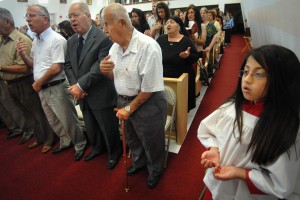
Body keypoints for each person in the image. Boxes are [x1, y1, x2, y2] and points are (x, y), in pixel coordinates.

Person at [197, 45, 300, 200]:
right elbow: (209, 130)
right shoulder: (232, 107)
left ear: (282, 80)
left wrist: (240, 173)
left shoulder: (284, 127)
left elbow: (282, 183)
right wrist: (215, 149)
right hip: (220, 184)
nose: (247, 79)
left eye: (258, 74)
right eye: (245, 71)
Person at [100, 3, 167, 188]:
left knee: (151, 141)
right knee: (132, 138)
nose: (104, 30)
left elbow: (149, 89)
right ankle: (138, 163)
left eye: (106, 24)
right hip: (124, 101)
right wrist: (104, 70)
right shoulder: (114, 48)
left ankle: (155, 170)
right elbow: (114, 76)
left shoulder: (148, 47)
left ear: (121, 23)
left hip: (148, 102)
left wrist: (129, 108)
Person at [17, 4, 87, 161]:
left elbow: (56, 68)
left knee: (68, 120)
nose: (28, 19)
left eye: (31, 15)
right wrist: (22, 54)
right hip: (43, 87)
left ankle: (80, 144)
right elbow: (34, 64)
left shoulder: (57, 40)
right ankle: (65, 141)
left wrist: (38, 82)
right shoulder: (36, 41)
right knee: (53, 120)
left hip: (56, 87)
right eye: (26, 16)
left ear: (45, 19)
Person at [64, 2, 121, 168]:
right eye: (70, 17)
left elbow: (99, 67)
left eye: (75, 15)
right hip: (82, 94)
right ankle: (97, 147)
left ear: (88, 16)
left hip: (100, 92)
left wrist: (80, 86)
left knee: (108, 127)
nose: (72, 20)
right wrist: (76, 86)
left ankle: (114, 153)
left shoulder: (103, 37)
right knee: (91, 126)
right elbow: (68, 65)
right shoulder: (71, 40)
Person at [0, 7, 56, 151]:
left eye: (31, 16)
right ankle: (39, 137)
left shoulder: (22, 39)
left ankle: (49, 139)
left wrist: (1, 67)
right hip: (11, 83)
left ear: (7, 21)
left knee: (38, 113)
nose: (28, 19)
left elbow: (25, 68)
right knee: (27, 113)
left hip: (24, 82)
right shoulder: (2, 40)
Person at [157, 16, 199, 112]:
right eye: (167, 22)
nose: (168, 24)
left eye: (171, 22)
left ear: (179, 27)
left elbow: (195, 57)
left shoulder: (186, 40)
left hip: (182, 77)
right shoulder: (161, 39)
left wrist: (187, 56)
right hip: (164, 78)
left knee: (181, 108)